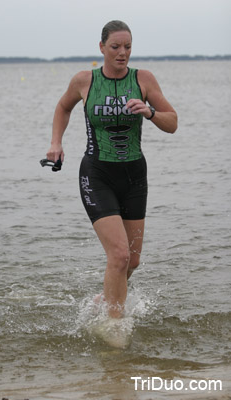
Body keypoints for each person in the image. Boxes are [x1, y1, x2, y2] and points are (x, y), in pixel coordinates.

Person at [46, 20, 177, 319]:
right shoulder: (84, 81)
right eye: (115, 47)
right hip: (97, 173)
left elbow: (173, 122)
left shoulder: (144, 79)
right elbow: (63, 107)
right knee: (118, 255)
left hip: (134, 175)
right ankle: (114, 326)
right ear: (102, 47)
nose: (122, 53)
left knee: (131, 262)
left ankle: (104, 299)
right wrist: (56, 142)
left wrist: (150, 112)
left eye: (128, 47)